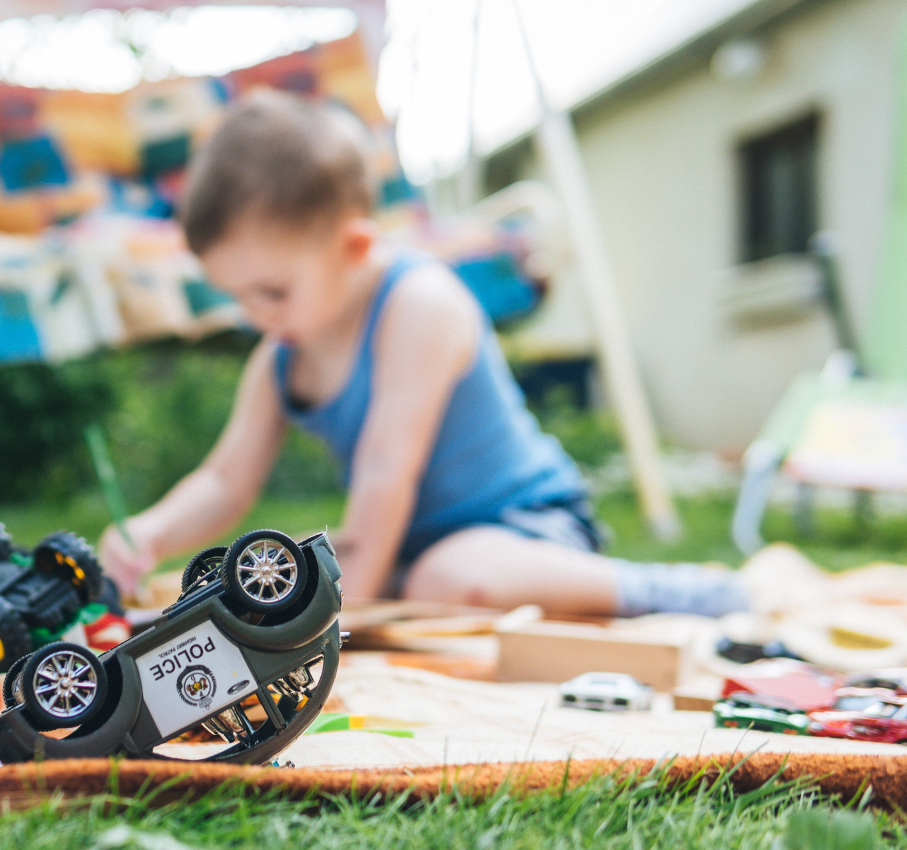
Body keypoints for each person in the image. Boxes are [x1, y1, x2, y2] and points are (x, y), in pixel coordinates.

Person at [97, 91, 745, 618]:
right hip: (413, 546)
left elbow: (386, 473)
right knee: (282, 577)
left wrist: (341, 614)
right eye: (236, 297)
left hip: (525, 530)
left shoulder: (419, 303)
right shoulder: (282, 355)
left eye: (271, 291)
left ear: (354, 247)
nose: (254, 317)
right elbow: (224, 481)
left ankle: (658, 590)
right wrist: (148, 534)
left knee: (445, 579)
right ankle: (404, 582)